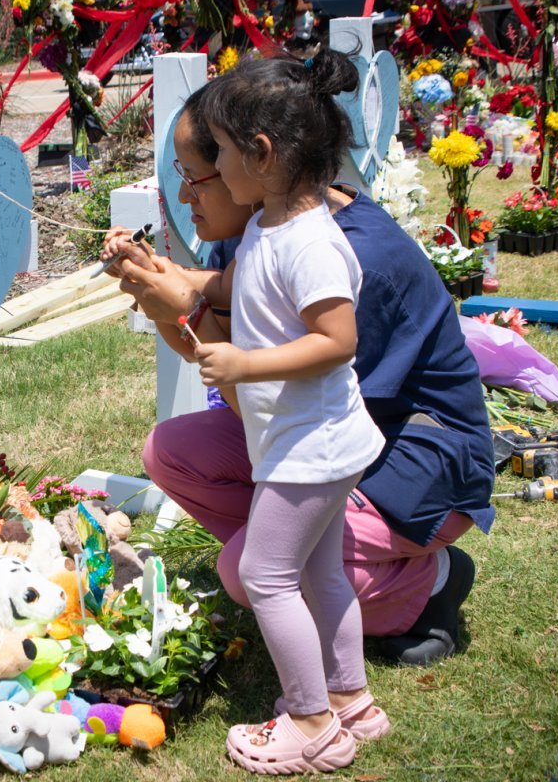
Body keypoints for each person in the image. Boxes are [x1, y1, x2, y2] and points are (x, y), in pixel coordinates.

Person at [102, 60, 495, 669]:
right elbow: (223, 302)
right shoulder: (262, 223)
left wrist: (184, 312)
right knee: (171, 452)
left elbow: (261, 390)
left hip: (413, 463)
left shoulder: (344, 257)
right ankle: (298, 564)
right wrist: (160, 283)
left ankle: (426, 583)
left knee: (247, 573)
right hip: (327, 440)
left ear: (257, 160)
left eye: (198, 175)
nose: (184, 195)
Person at [171, 51, 390, 773]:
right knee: (321, 575)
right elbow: (245, 286)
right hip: (303, 442)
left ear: (261, 155)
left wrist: (243, 364)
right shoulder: (270, 223)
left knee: (268, 576)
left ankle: (311, 724)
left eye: (223, 152)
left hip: (311, 447)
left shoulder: (315, 245)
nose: (214, 167)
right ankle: (352, 700)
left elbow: (337, 341)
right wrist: (176, 285)